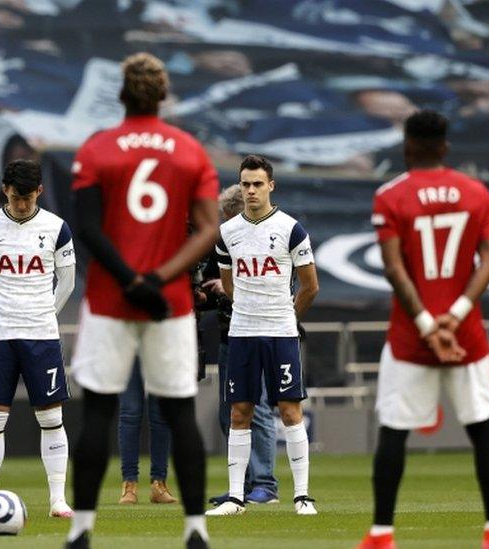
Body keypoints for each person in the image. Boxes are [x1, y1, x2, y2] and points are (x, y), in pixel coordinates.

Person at [67, 52, 221, 549]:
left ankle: (81, 531)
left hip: (111, 300)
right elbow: (207, 230)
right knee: (178, 413)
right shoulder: (189, 150)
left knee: (98, 414)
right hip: (169, 302)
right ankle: (196, 531)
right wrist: (157, 278)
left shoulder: (97, 149)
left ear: (120, 93)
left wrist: (129, 281)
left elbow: (87, 227)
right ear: (163, 93)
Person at [358, 110, 489, 549]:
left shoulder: (391, 195)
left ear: (407, 146)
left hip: (409, 336)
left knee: (394, 432)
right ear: (445, 147)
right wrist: (453, 317)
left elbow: (394, 268)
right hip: (467, 336)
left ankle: (382, 534)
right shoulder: (476, 192)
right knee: (481, 430)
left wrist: (425, 323)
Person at [0, 159, 76, 519]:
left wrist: (44, 314)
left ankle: (57, 500)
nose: (21, 203)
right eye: (15, 196)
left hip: (41, 334)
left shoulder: (56, 228)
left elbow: (67, 281)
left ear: (39, 191)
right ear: (5, 190)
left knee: (50, 416)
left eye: (27, 196)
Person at [206, 155, 319, 517]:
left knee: (289, 410)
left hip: (280, 334)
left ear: (271, 186)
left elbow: (310, 286)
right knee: (240, 412)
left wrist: (286, 316)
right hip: (242, 333)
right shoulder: (227, 232)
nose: (251, 190)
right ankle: (237, 497)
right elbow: (228, 284)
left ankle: (302, 496)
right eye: (245, 184)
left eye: (257, 184)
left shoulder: (291, 228)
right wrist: (249, 311)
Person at [201, 185, 280, 507]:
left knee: (256, 408)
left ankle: (265, 485)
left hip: (259, 332)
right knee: (228, 414)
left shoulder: (269, 240)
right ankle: (242, 485)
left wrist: (230, 285)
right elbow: (210, 287)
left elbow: (272, 284)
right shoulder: (223, 241)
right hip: (228, 335)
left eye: (228, 217)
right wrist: (204, 296)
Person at [116, 358, 177, 505]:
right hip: (129, 342)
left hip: (159, 342)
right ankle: (129, 484)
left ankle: (159, 483)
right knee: (130, 412)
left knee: (160, 412)